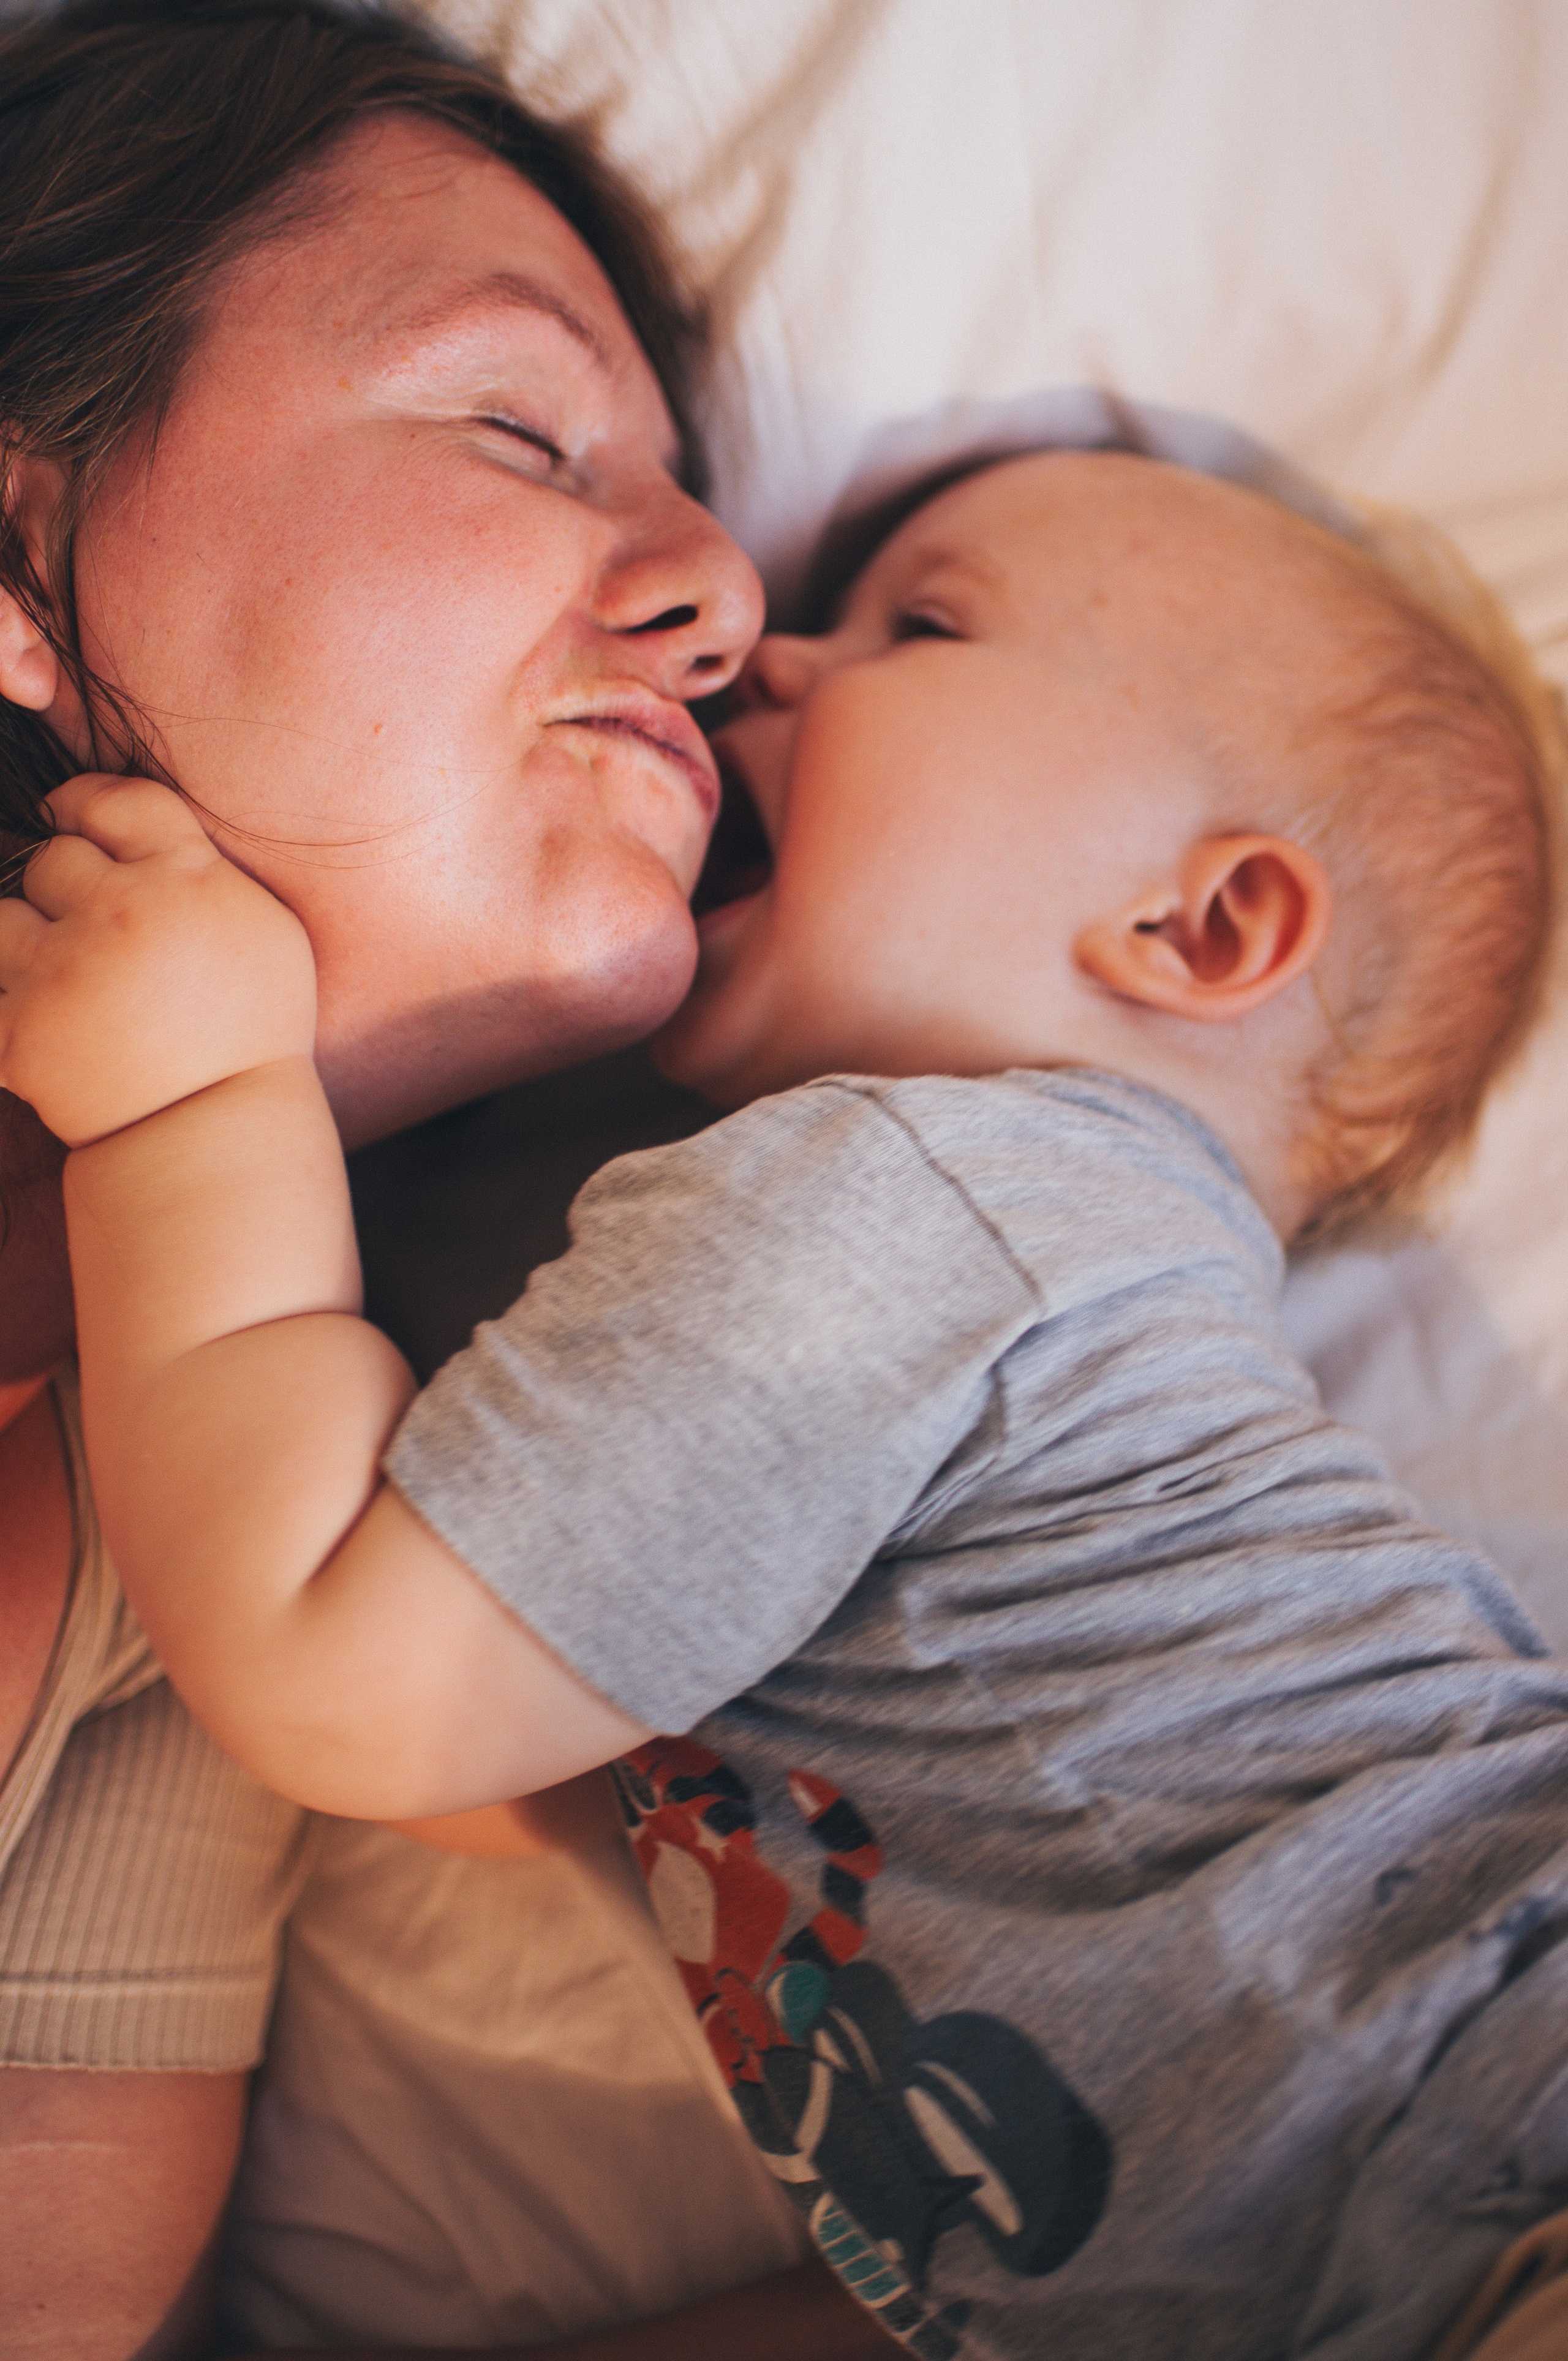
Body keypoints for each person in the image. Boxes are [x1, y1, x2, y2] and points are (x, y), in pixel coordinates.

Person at [8, 443, 1568, 2361]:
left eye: (921, 623)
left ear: (1198, 929)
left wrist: (191, 1106)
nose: (768, 655)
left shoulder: (919, 1193)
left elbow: (356, 1674)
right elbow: (560, 1769)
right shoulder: (1066, 1314)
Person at [0, 4, 889, 2356]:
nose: (725, 597)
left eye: (693, 495)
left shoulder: (205, 1546)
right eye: (519, 426)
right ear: (18, 542)